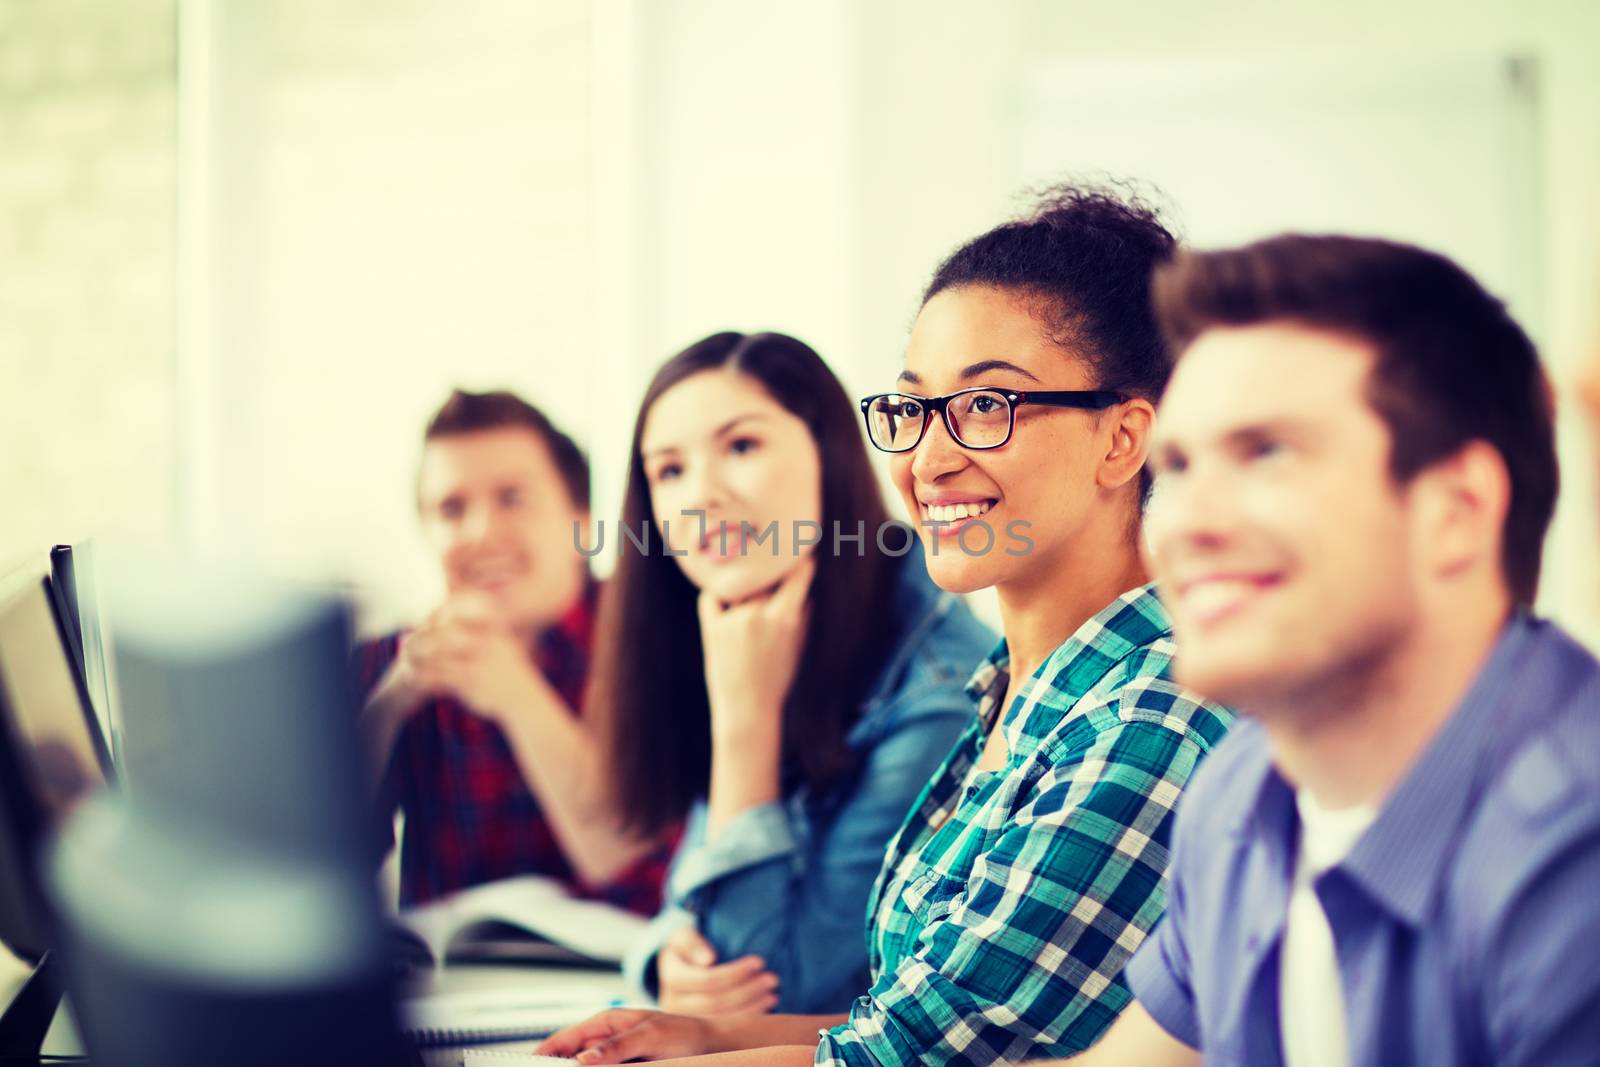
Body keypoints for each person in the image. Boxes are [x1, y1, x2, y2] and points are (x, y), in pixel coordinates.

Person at [539, 185, 1236, 1066]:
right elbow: (913, 1018)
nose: (929, 459)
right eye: (913, 409)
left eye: (988, 406)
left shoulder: (1152, 712)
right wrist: (705, 1028)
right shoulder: (1017, 695)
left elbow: (916, 1061)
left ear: (1123, 439)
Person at [1052, 234, 1600, 1066]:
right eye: (1180, 465)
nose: (1187, 527)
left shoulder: (1573, 852)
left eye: (1265, 452)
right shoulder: (1241, 789)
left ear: (1456, 510)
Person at [593, 330, 995, 1015]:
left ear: (829, 455)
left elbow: (777, 989)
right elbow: (691, 909)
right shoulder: (747, 622)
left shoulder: (939, 686)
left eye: (741, 447)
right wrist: (661, 959)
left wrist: (745, 725)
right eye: (669, 470)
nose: (700, 498)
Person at [354, 389, 672, 912]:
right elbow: (305, 873)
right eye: (451, 509)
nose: (481, 533)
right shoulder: (391, 664)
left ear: (581, 521)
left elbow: (642, 871)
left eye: (512, 499)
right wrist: (389, 706)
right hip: (457, 987)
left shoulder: (650, 638)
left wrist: (517, 695)